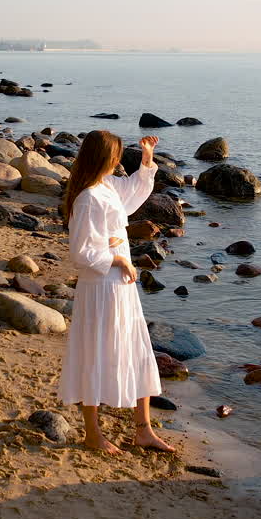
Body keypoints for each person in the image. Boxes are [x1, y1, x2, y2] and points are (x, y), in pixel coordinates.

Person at [58, 130, 175, 454]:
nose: (120, 161)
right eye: (117, 155)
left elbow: (132, 194)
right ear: (105, 158)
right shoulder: (87, 198)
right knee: (95, 355)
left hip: (120, 286)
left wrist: (147, 159)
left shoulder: (106, 187)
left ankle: (143, 430)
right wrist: (118, 257)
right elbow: (81, 253)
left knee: (137, 351)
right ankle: (93, 434)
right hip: (101, 288)